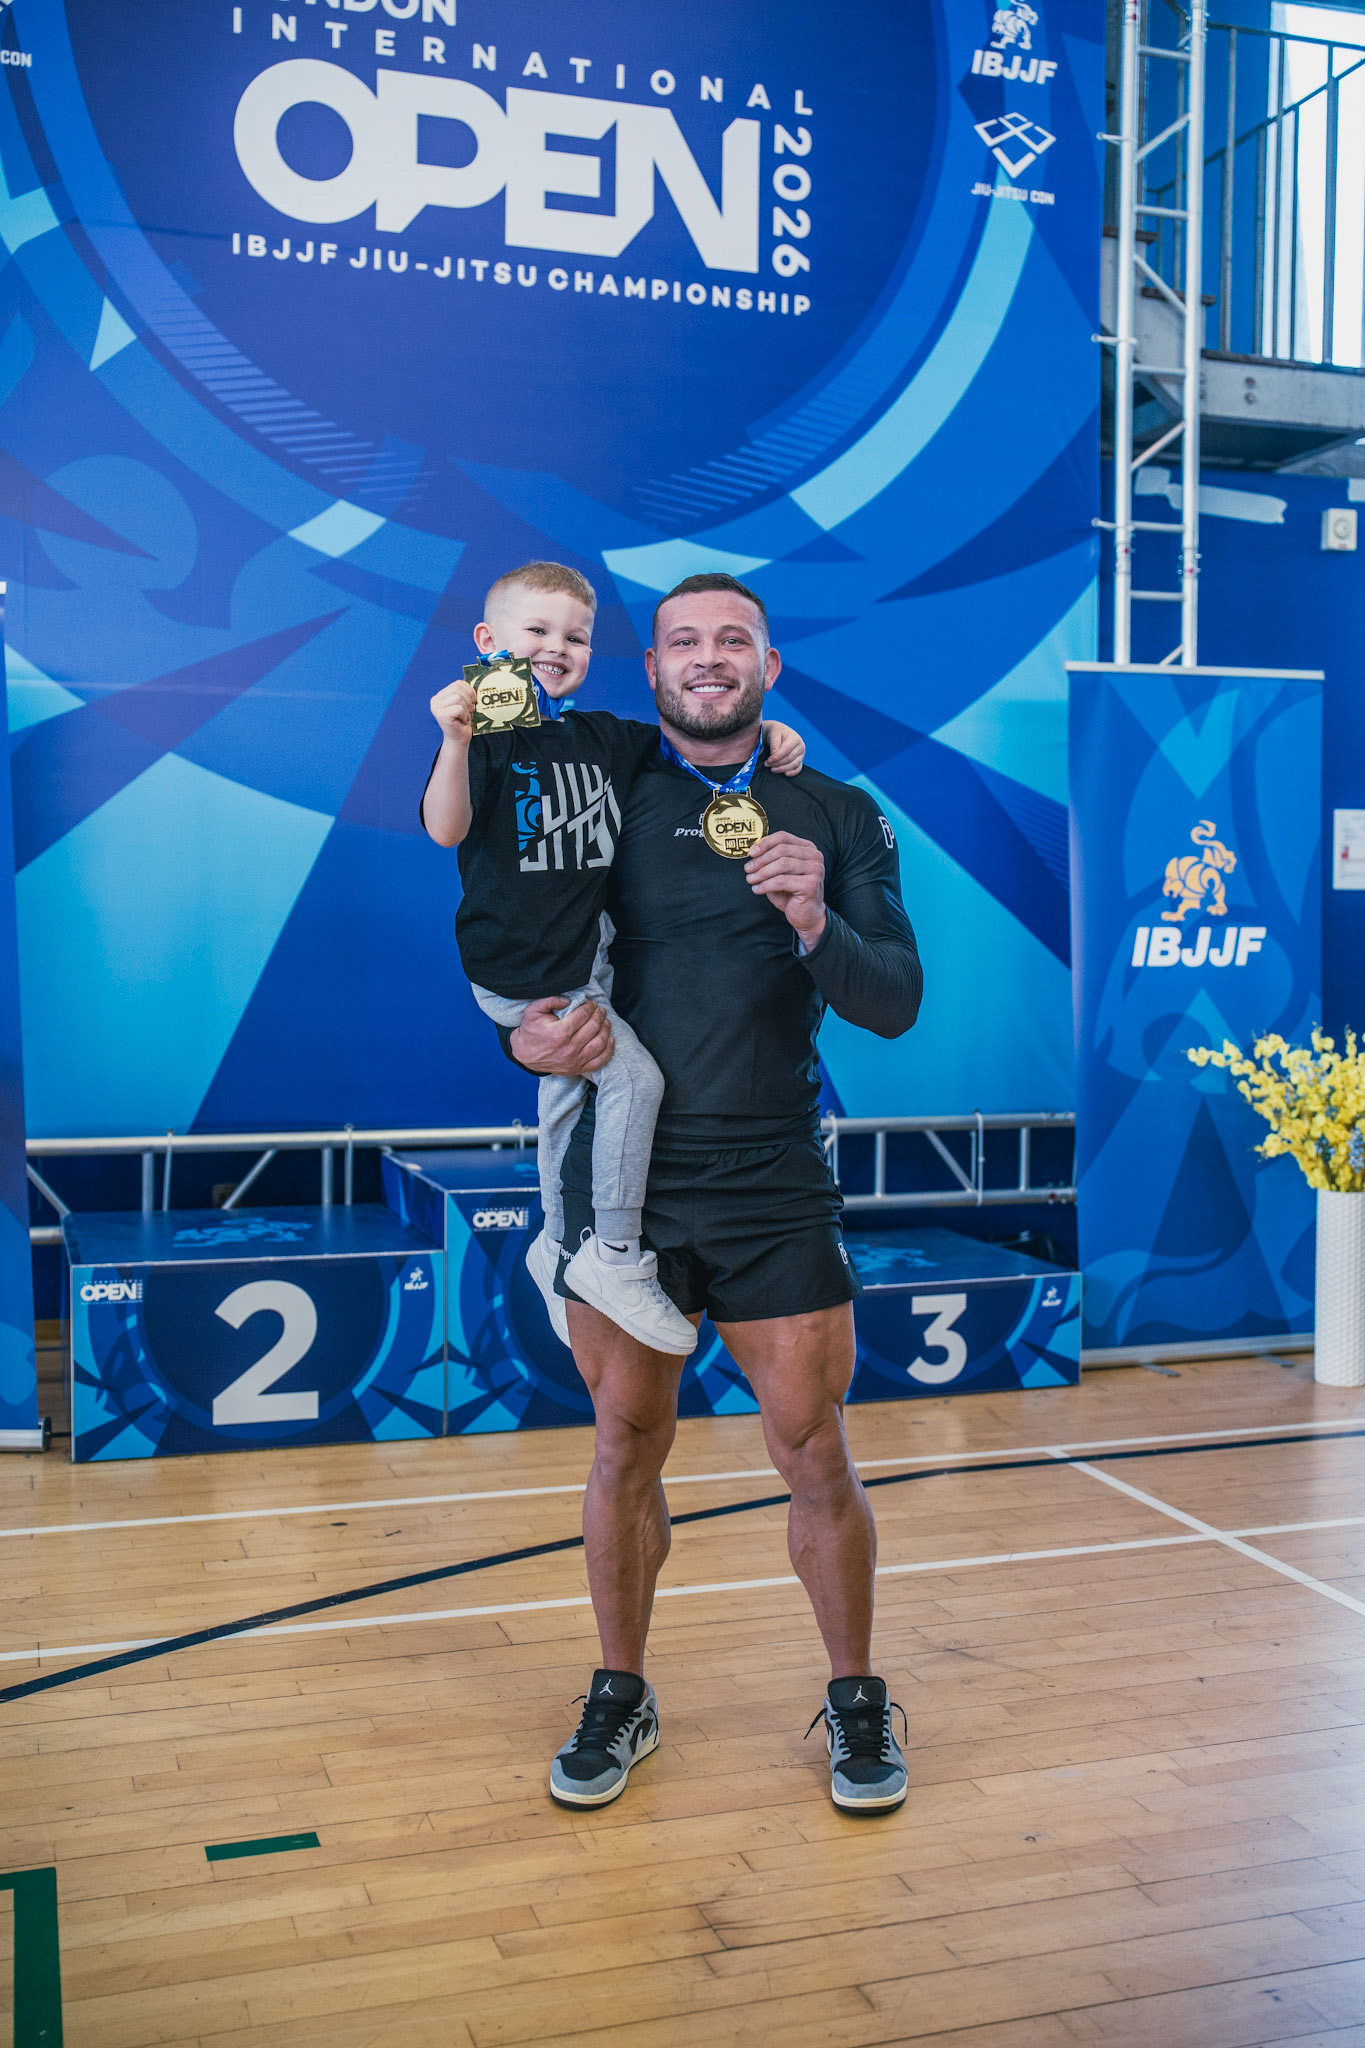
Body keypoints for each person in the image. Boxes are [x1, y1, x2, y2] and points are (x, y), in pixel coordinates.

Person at [502, 572, 924, 1815]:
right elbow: (519, 937)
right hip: (621, 1186)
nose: (707, 656)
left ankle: (855, 1698)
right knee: (625, 1443)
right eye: (683, 639)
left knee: (813, 1446)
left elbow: (896, 1000)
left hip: (773, 1180)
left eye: (732, 638)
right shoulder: (603, 788)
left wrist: (815, 919)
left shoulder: (836, 811)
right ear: (650, 667)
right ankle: (621, 1691)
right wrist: (519, 1036)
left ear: (768, 665)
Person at [420, 560, 807, 1355]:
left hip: (582, 959)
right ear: (488, 641)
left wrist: (767, 734)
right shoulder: (488, 737)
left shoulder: (601, 738)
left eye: (576, 637)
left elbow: (701, 743)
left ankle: (559, 1244)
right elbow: (444, 828)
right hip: (523, 969)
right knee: (633, 1081)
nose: (555, 647)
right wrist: (454, 741)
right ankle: (616, 1254)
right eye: (536, 630)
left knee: (570, 1104)